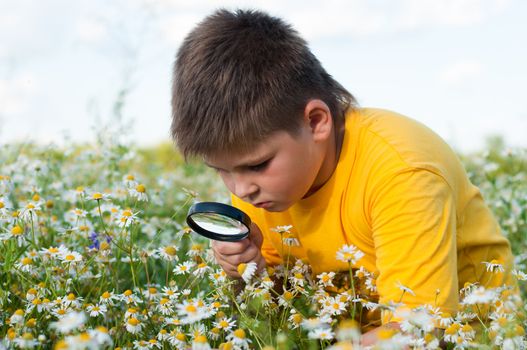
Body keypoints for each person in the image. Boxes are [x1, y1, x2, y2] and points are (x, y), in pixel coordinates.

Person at [170, 8, 516, 344]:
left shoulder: (400, 170)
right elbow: (284, 312)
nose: (241, 189)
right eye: (221, 171)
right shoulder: (263, 185)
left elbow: (421, 330)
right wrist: (250, 274)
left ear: (316, 122)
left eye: (257, 165)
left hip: (477, 337)